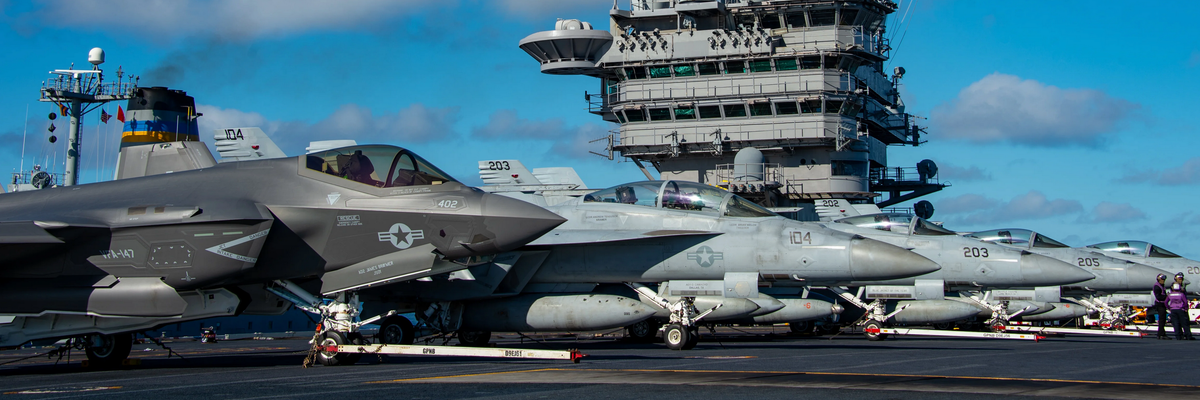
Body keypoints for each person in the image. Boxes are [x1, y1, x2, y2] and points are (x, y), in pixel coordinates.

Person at [1152, 273, 1170, 339]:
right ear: (1159, 279)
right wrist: (1167, 297)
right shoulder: (1157, 286)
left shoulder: (1162, 286)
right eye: (1162, 279)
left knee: (1163, 320)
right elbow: (1158, 297)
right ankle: (1161, 334)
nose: (1163, 280)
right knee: (1162, 320)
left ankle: (1161, 333)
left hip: (1162, 304)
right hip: (1160, 304)